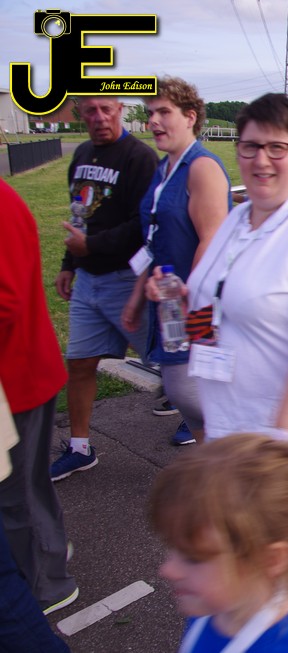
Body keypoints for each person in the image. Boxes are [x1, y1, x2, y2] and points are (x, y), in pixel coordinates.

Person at [150, 93, 288, 507]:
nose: (261, 160)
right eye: (250, 147)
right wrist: (179, 296)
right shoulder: (236, 220)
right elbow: (216, 302)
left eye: (276, 148)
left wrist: (278, 444)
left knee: (287, 545)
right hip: (235, 423)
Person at [149, 434, 288, 652]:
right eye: (172, 548)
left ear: (271, 559)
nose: (168, 570)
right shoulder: (212, 604)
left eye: (194, 558)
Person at [50, 96, 158, 481]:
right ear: (80, 113)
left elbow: (142, 226)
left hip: (128, 280)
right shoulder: (81, 154)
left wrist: (91, 247)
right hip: (88, 282)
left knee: (169, 364)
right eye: (90, 110)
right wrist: (70, 263)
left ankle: (195, 425)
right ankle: (80, 448)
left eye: (106, 109)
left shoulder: (139, 157)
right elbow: (79, 216)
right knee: (80, 363)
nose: (99, 117)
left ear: (120, 110)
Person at [121, 76, 231, 447]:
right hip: (168, 303)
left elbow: (212, 242)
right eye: (150, 112)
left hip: (196, 308)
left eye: (163, 112)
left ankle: (246, 466)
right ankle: (215, 468)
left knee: (196, 395)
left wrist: (190, 304)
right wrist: (137, 297)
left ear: (190, 117)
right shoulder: (164, 168)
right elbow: (154, 240)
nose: (153, 121)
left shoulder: (202, 168)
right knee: (188, 399)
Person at [0, 179, 78, 620]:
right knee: (21, 490)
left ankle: (49, 581)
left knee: (18, 493)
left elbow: (6, 299)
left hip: (19, 376)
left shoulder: (1, 204)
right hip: (17, 375)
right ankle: (46, 549)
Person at [1, 382, 69, 652]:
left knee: (18, 501)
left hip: (19, 389)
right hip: (15, 392)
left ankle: (49, 581)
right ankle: (45, 565)